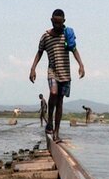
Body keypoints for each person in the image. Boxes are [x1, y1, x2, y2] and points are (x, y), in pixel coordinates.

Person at [29, 9, 85, 143]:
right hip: (52, 72)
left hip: (65, 73)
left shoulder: (67, 35)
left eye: (59, 23)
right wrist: (33, 68)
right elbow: (39, 52)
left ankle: (56, 133)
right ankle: (49, 123)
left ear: (64, 22)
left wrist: (81, 65)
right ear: (51, 21)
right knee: (53, 93)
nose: (57, 26)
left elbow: (74, 50)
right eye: (55, 23)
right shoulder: (45, 36)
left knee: (60, 102)